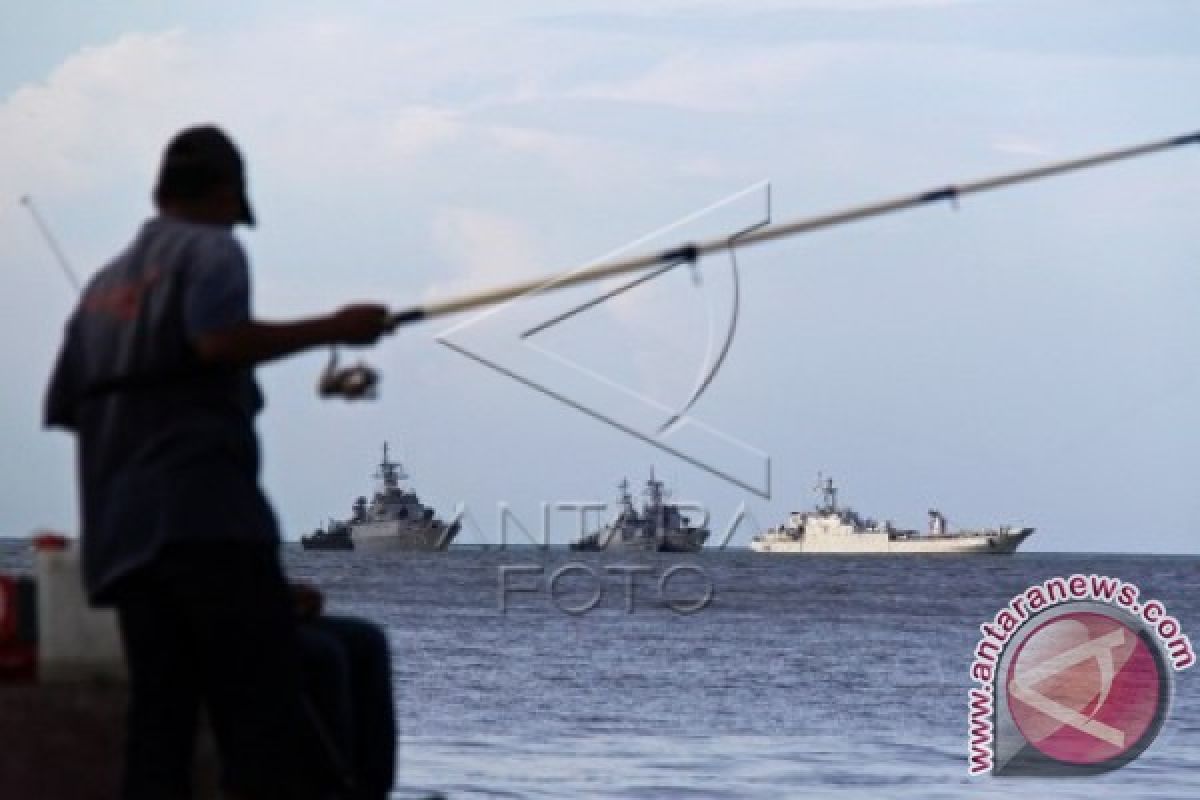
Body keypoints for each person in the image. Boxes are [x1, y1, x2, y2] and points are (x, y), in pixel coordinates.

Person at [44, 124, 396, 799]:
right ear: (227, 193)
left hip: (126, 547)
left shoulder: (99, 289)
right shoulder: (213, 249)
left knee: (161, 723)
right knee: (260, 723)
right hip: (210, 526)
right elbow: (215, 341)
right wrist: (337, 326)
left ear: (160, 191)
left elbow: (65, 406)